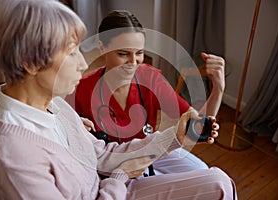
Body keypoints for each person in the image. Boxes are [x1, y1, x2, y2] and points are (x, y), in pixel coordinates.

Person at [0, 1, 237, 199]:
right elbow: (111, 166)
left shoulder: (55, 106)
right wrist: (120, 176)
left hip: (113, 183)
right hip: (111, 188)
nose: (83, 64)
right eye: (71, 53)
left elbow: (102, 154)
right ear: (31, 63)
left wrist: (175, 137)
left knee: (219, 182)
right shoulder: (14, 159)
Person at [75, 10, 225, 175]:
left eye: (139, 53)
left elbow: (196, 125)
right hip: (116, 164)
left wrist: (218, 89)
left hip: (152, 147)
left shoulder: (150, 78)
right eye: (123, 53)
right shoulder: (82, 90)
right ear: (102, 48)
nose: (133, 62)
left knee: (203, 173)